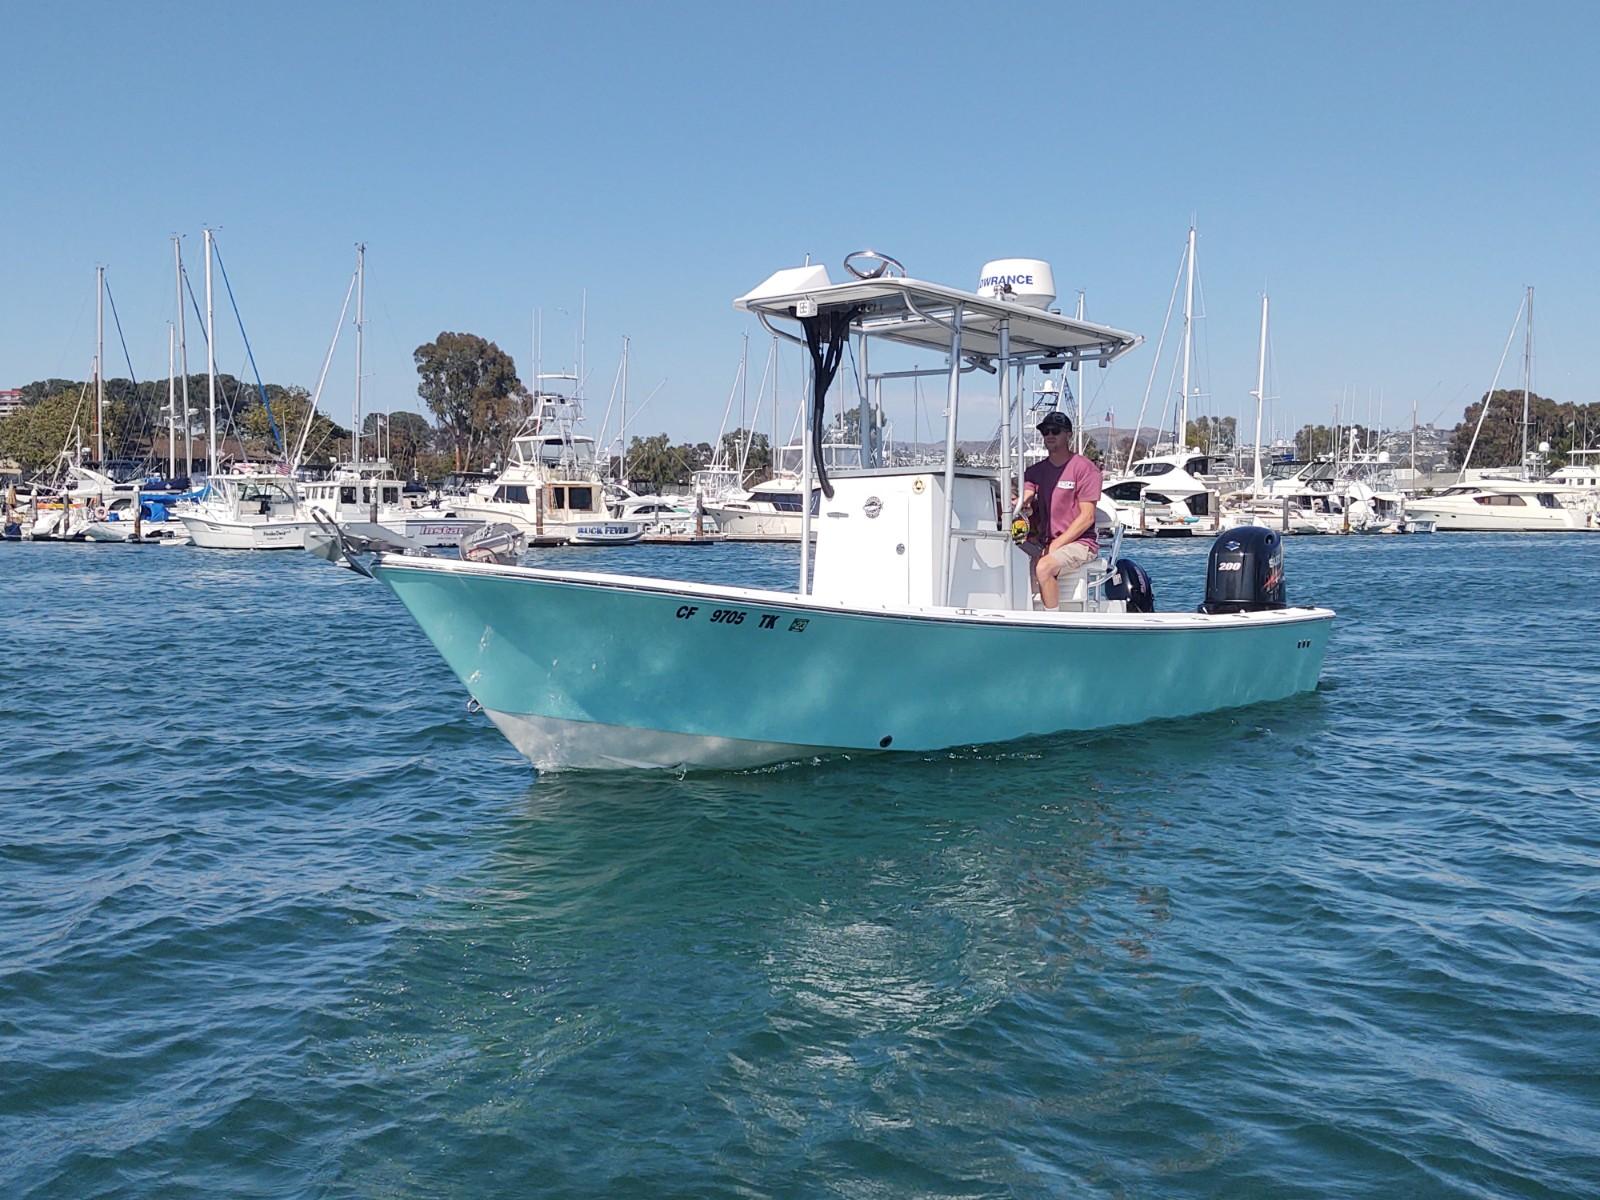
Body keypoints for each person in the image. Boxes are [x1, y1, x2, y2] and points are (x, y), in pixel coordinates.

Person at [1019, 410, 1102, 610]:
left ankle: (1052, 622)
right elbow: (1026, 493)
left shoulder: (1084, 468)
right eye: (1045, 431)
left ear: (1068, 434)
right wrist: (1023, 502)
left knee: (1044, 566)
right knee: (1010, 562)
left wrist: (1055, 545)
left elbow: (1087, 517)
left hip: (1080, 543)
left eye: (1055, 430)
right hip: (1044, 542)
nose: (1049, 435)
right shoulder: (1035, 471)